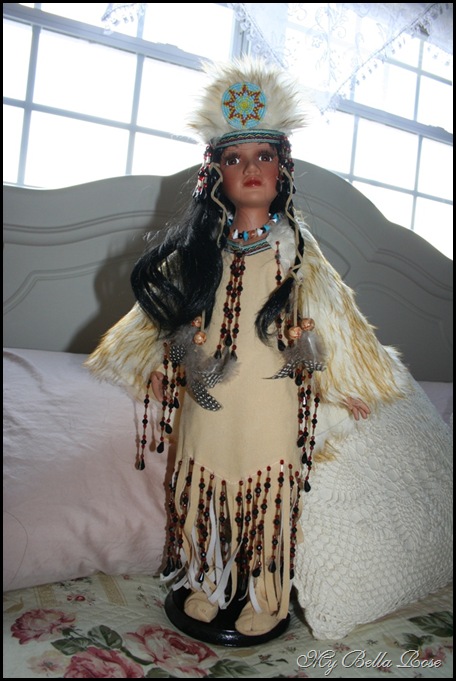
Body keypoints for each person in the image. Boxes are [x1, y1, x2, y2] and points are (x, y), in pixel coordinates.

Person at [85, 57, 414, 637]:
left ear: (283, 169)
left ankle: (266, 595)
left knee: (267, 500)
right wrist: (159, 363)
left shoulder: (296, 251)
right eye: (235, 159)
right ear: (215, 174)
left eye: (264, 155)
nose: (251, 169)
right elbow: (155, 324)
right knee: (205, 490)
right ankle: (207, 580)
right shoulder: (199, 251)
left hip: (271, 401)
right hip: (207, 401)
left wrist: (339, 384)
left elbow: (333, 318)